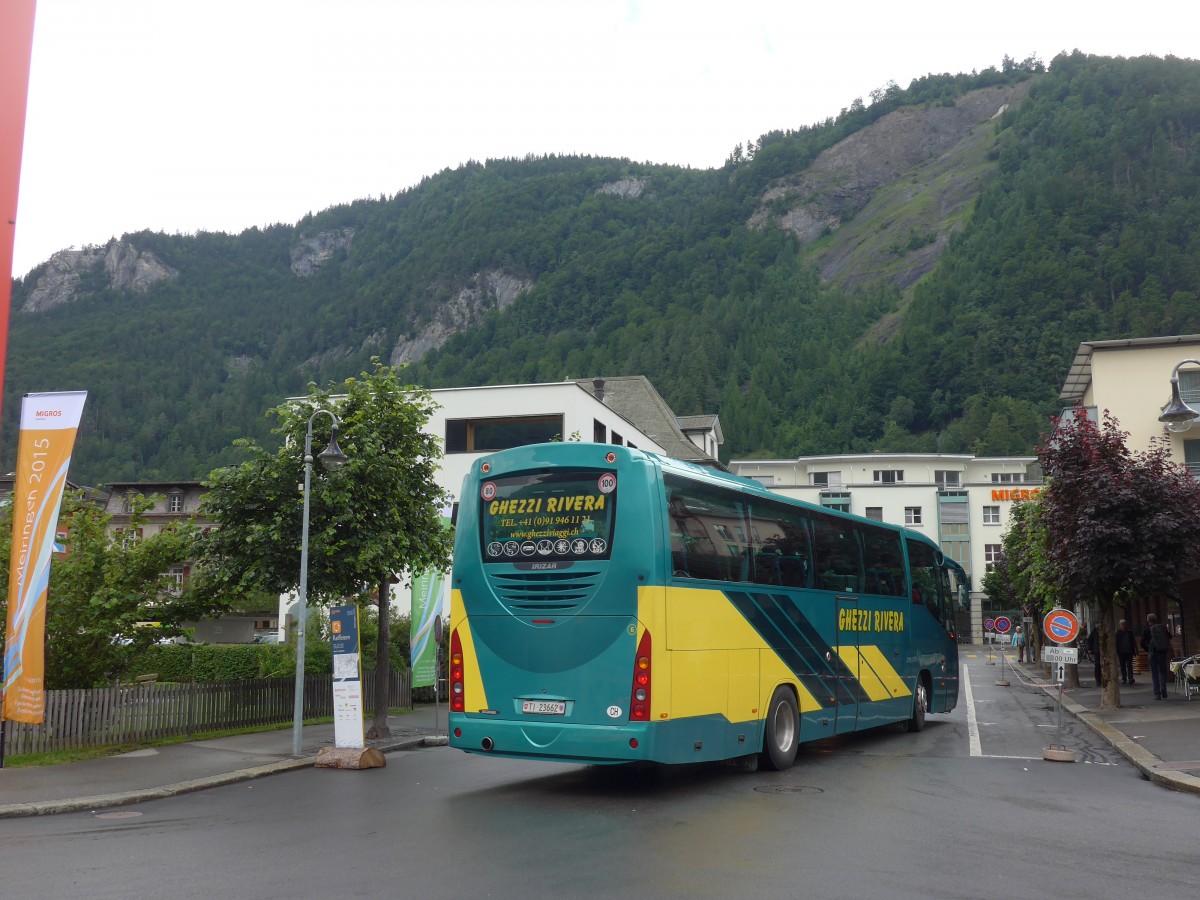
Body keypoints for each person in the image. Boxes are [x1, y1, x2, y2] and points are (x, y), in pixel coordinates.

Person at [1141, 613, 1172, 700]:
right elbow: (1170, 636)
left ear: (1148, 620)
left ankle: (1157, 693)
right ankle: (1163, 688)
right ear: (1156, 619)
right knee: (1163, 672)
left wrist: (1148, 649)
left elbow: (1142, 643)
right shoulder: (1162, 627)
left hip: (1152, 654)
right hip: (1162, 652)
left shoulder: (1146, 630)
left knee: (1154, 673)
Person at [1115, 619, 1137, 685]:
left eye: (1124, 624)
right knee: (1122, 666)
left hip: (1129, 652)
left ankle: (1131, 678)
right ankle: (1124, 678)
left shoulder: (1129, 632)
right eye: (1122, 624)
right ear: (1120, 625)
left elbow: (1133, 641)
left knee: (1130, 665)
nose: (1123, 626)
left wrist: (1135, 650)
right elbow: (1116, 643)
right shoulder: (1117, 633)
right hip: (1121, 652)